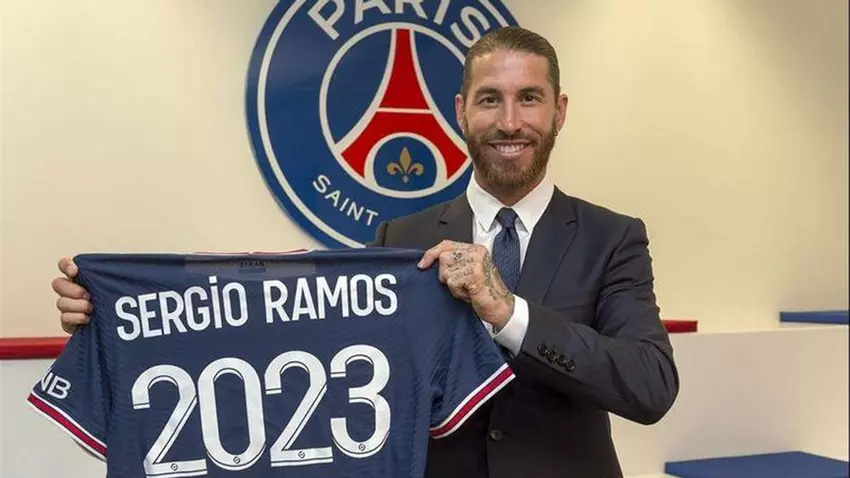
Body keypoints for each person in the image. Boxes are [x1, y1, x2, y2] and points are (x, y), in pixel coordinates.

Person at [52, 26, 678, 478]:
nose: (509, 121)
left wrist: (506, 311)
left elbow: (649, 385)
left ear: (559, 111)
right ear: (461, 112)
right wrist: (118, 315)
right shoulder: (398, 241)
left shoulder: (614, 238)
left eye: (529, 98)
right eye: (490, 99)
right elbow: (302, 340)